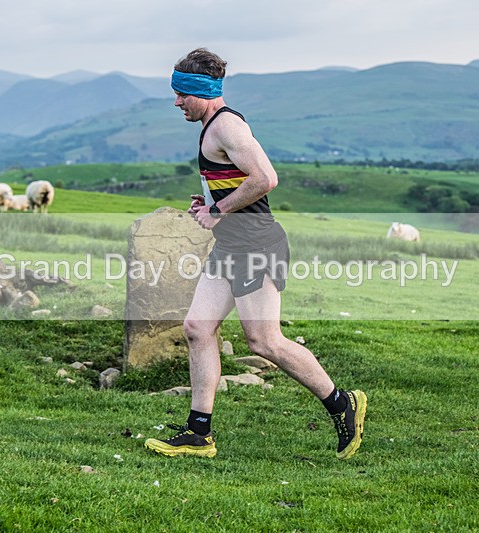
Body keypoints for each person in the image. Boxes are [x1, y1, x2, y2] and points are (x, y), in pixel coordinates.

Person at [144, 48, 366, 460]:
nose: (176, 102)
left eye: (181, 94)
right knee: (197, 327)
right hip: (231, 244)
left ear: (201, 92)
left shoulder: (225, 126)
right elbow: (237, 180)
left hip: (257, 245)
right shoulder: (213, 125)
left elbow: (266, 178)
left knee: (264, 341)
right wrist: (210, 202)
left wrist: (219, 210)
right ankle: (199, 433)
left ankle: (342, 403)